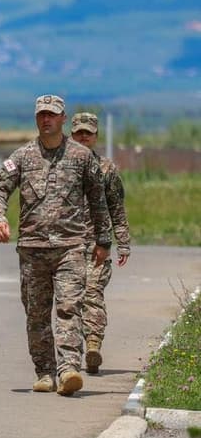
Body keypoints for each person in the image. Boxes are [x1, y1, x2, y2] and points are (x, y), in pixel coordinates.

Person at [0, 94, 111, 396]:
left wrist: (104, 240)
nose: (46, 119)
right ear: (36, 119)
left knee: (69, 307)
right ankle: (44, 370)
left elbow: (98, 199)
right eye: (42, 115)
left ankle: (68, 367)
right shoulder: (22, 157)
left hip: (71, 246)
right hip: (32, 249)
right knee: (37, 314)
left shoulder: (81, 157)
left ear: (63, 118)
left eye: (52, 115)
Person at [70, 112, 131, 374]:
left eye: (88, 133)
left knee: (93, 292)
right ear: (71, 134)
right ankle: (69, 355)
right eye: (79, 132)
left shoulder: (106, 169)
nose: (83, 137)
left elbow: (117, 207)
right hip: (66, 242)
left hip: (98, 242)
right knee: (69, 300)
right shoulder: (61, 166)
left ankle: (93, 343)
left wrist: (123, 242)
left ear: (96, 136)